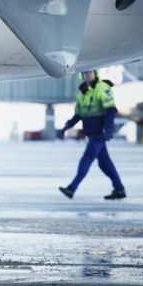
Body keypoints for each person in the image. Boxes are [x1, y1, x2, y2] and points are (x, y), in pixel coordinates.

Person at [58, 70, 126, 200]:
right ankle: (119, 189)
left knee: (86, 159)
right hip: (92, 132)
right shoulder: (83, 93)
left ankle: (72, 188)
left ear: (95, 74)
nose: (88, 75)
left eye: (90, 72)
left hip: (99, 133)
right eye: (85, 73)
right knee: (105, 164)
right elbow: (78, 114)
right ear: (82, 75)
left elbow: (111, 110)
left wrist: (108, 128)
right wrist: (68, 126)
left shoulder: (101, 87)